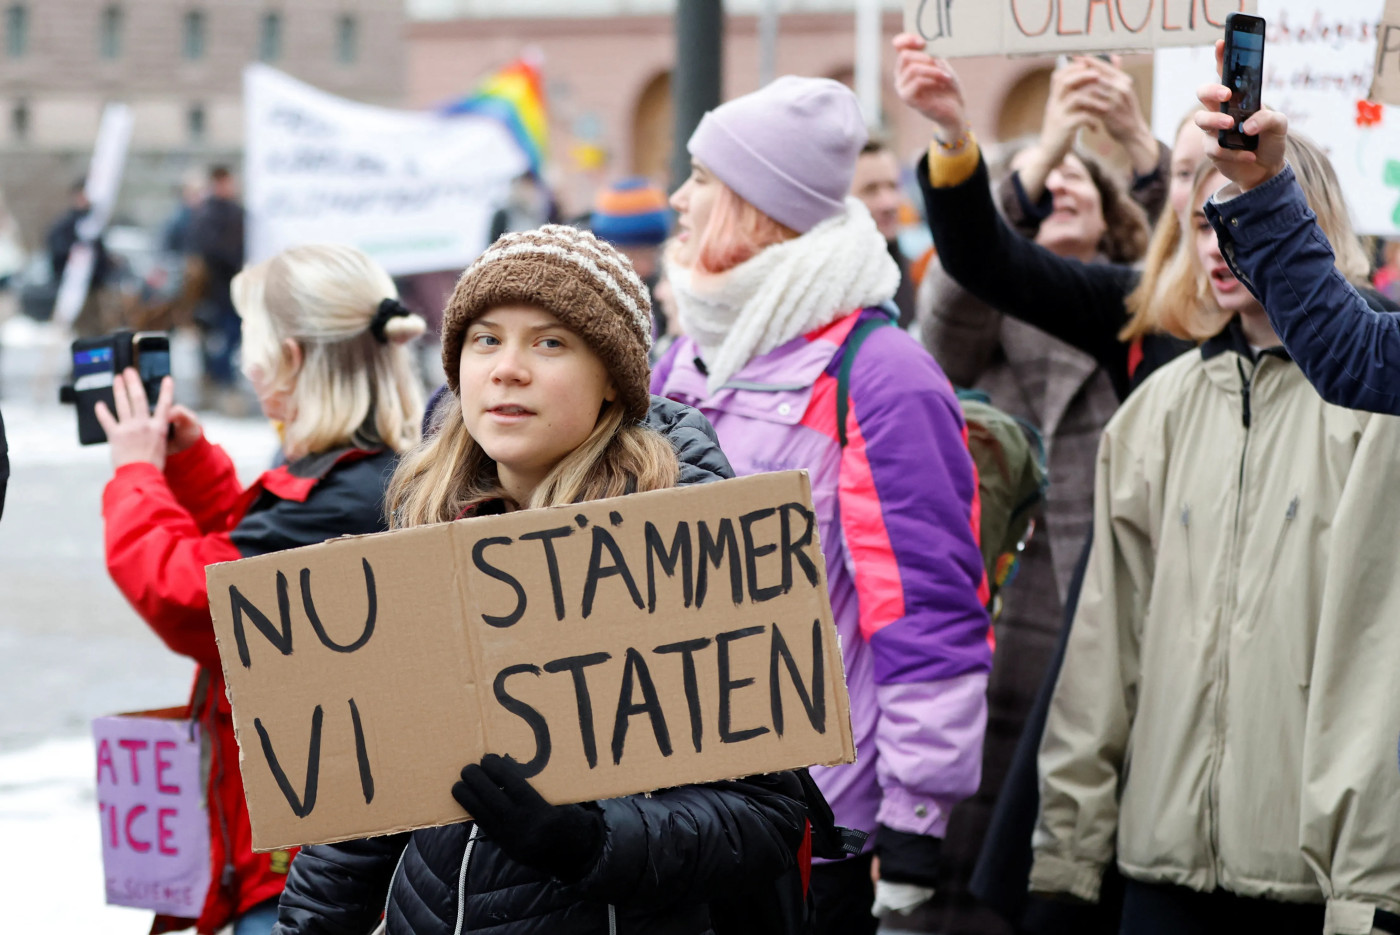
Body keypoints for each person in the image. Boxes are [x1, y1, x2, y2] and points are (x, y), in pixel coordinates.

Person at [272, 225, 813, 935]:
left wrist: (586, 839)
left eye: (550, 342)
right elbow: (362, 803)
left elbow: (766, 817)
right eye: (485, 340)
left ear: (611, 380)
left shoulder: (686, 542)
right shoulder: (425, 529)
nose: (508, 368)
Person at [652, 75, 992, 933]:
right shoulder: (686, 356)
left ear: (757, 206)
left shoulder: (881, 377)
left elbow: (928, 620)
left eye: (701, 179)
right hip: (679, 816)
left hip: (820, 831)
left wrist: (911, 837)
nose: (678, 199)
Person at [1031, 150, 1400, 935]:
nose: (1215, 244)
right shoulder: (1154, 412)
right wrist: (1067, 857)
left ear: (1304, 223)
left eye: (1236, 217)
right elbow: (1103, 653)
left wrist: (1369, 890)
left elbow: (1379, 658)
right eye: (1200, 222)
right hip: (1162, 867)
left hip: (1311, 880)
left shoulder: (1378, 415)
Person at [99, 244, 427, 935]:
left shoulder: (337, 497)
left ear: (290, 356)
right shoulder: (368, 475)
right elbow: (258, 553)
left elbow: (195, 595)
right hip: (313, 849)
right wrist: (189, 466)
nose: (247, 369)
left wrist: (135, 473)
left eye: (251, 346)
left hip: (297, 869)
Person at [916, 137, 1148, 935]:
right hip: (994, 634)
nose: (1062, 180)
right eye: (1043, 175)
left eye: (1079, 172)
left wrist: (1151, 159)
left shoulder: (1141, 320)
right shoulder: (978, 330)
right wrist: (1017, 167)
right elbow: (951, 293)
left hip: (1103, 632)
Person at [1193, 41, 1400, 416]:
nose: (1216, 248)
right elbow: (1358, 355)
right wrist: (1261, 185)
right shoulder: (1177, 389)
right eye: (1202, 227)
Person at [188, 165, 246, 396]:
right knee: (224, 336)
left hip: (230, 287)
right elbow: (211, 251)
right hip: (218, 289)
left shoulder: (231, 211)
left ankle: (218, 377)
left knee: (229, 336)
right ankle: (220, 380)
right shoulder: (209, 214)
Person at [850, 139, 917, 327]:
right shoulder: (837, 289)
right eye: (870, 190)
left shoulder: (917, 272)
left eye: (893, 186)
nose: (888, 203)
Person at [46, 178, 114, 337]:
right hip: (74, 287)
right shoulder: (66, 225)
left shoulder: (92, 223)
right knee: (82, 331)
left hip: (94, 286)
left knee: (96, 330)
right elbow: (58, 252)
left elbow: (100, 252)